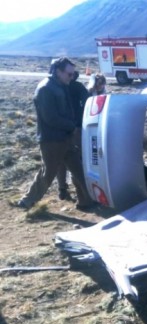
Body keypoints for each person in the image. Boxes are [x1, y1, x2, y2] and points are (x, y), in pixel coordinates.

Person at [16, 57, 95, 211]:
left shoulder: (60, 85)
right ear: (58, 71)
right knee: (48, 173)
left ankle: (87, 201)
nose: (72, 77)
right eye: (69, 74)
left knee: (79, 170)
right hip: (52, 141)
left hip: (66, 138)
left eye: (73, 74)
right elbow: (50, 117)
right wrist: (72, 126)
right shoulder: (46, 88)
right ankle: (27, 201)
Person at [56, 70, 90, 201]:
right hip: (75, 127)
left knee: (61, 160)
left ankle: (62, 189)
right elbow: (87, 101)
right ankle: (82, 193)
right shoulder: (77, 86)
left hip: (58, 129)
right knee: (77, 159)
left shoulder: (55, 87)